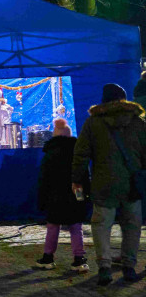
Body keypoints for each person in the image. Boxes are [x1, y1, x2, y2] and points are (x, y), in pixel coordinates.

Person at [72, 83, 146, 286]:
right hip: (132, 185)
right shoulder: (138, 122)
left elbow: (81, 155)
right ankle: (129, 266)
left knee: (101, 226)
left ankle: (105, 267)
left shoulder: (93, 123)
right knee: (132, 226)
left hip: (104, 184)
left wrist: (78, 181)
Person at [35, 118, 89, 272]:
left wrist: (42, 200)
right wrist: (84, 197)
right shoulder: (77, 152)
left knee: (52, 226)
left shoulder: (50, 154)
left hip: (54, 197)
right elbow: (83, 175)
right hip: (74, 194)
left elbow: (44, 180)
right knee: (75, 226)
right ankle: (79, 260)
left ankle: (48, 258)